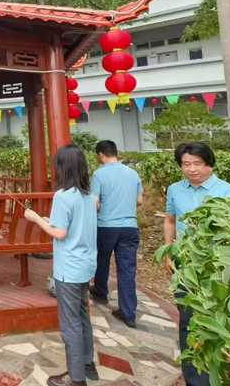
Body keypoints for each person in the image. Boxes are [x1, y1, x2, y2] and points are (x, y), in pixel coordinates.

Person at [25, 145, 98, 386]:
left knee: (70, 323)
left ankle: (75, 378)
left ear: (61, 168)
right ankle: (87, 364)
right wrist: (51, 220)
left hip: (69, 268)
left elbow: (60, 233)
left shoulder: (63, 196)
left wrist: (36, 218)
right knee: (82, 315)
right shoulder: (88, 195)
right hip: (86, 265)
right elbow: (71, 225)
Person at [164, 142, 230, 386]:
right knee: (188, 318)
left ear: (209, 165)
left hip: (217, 265)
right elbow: (170, 220)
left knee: (217, 320)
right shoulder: (174, 190)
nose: (192, 169)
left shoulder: (228, 191)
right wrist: (168, 251)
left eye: (197, 164)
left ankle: (220, 372)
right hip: (185, 264)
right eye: (186, 164)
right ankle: (195, 379)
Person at [89, 140, 143, 328]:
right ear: (117, 154)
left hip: (106, 226)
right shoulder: (133, 173)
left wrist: (103, 208)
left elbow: (95, 202)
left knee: (102, 259)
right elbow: (139, 201)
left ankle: (100, 291)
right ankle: (128, 313)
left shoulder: (99, 174)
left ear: (100, 155)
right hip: (130, 227)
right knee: (127, 269)